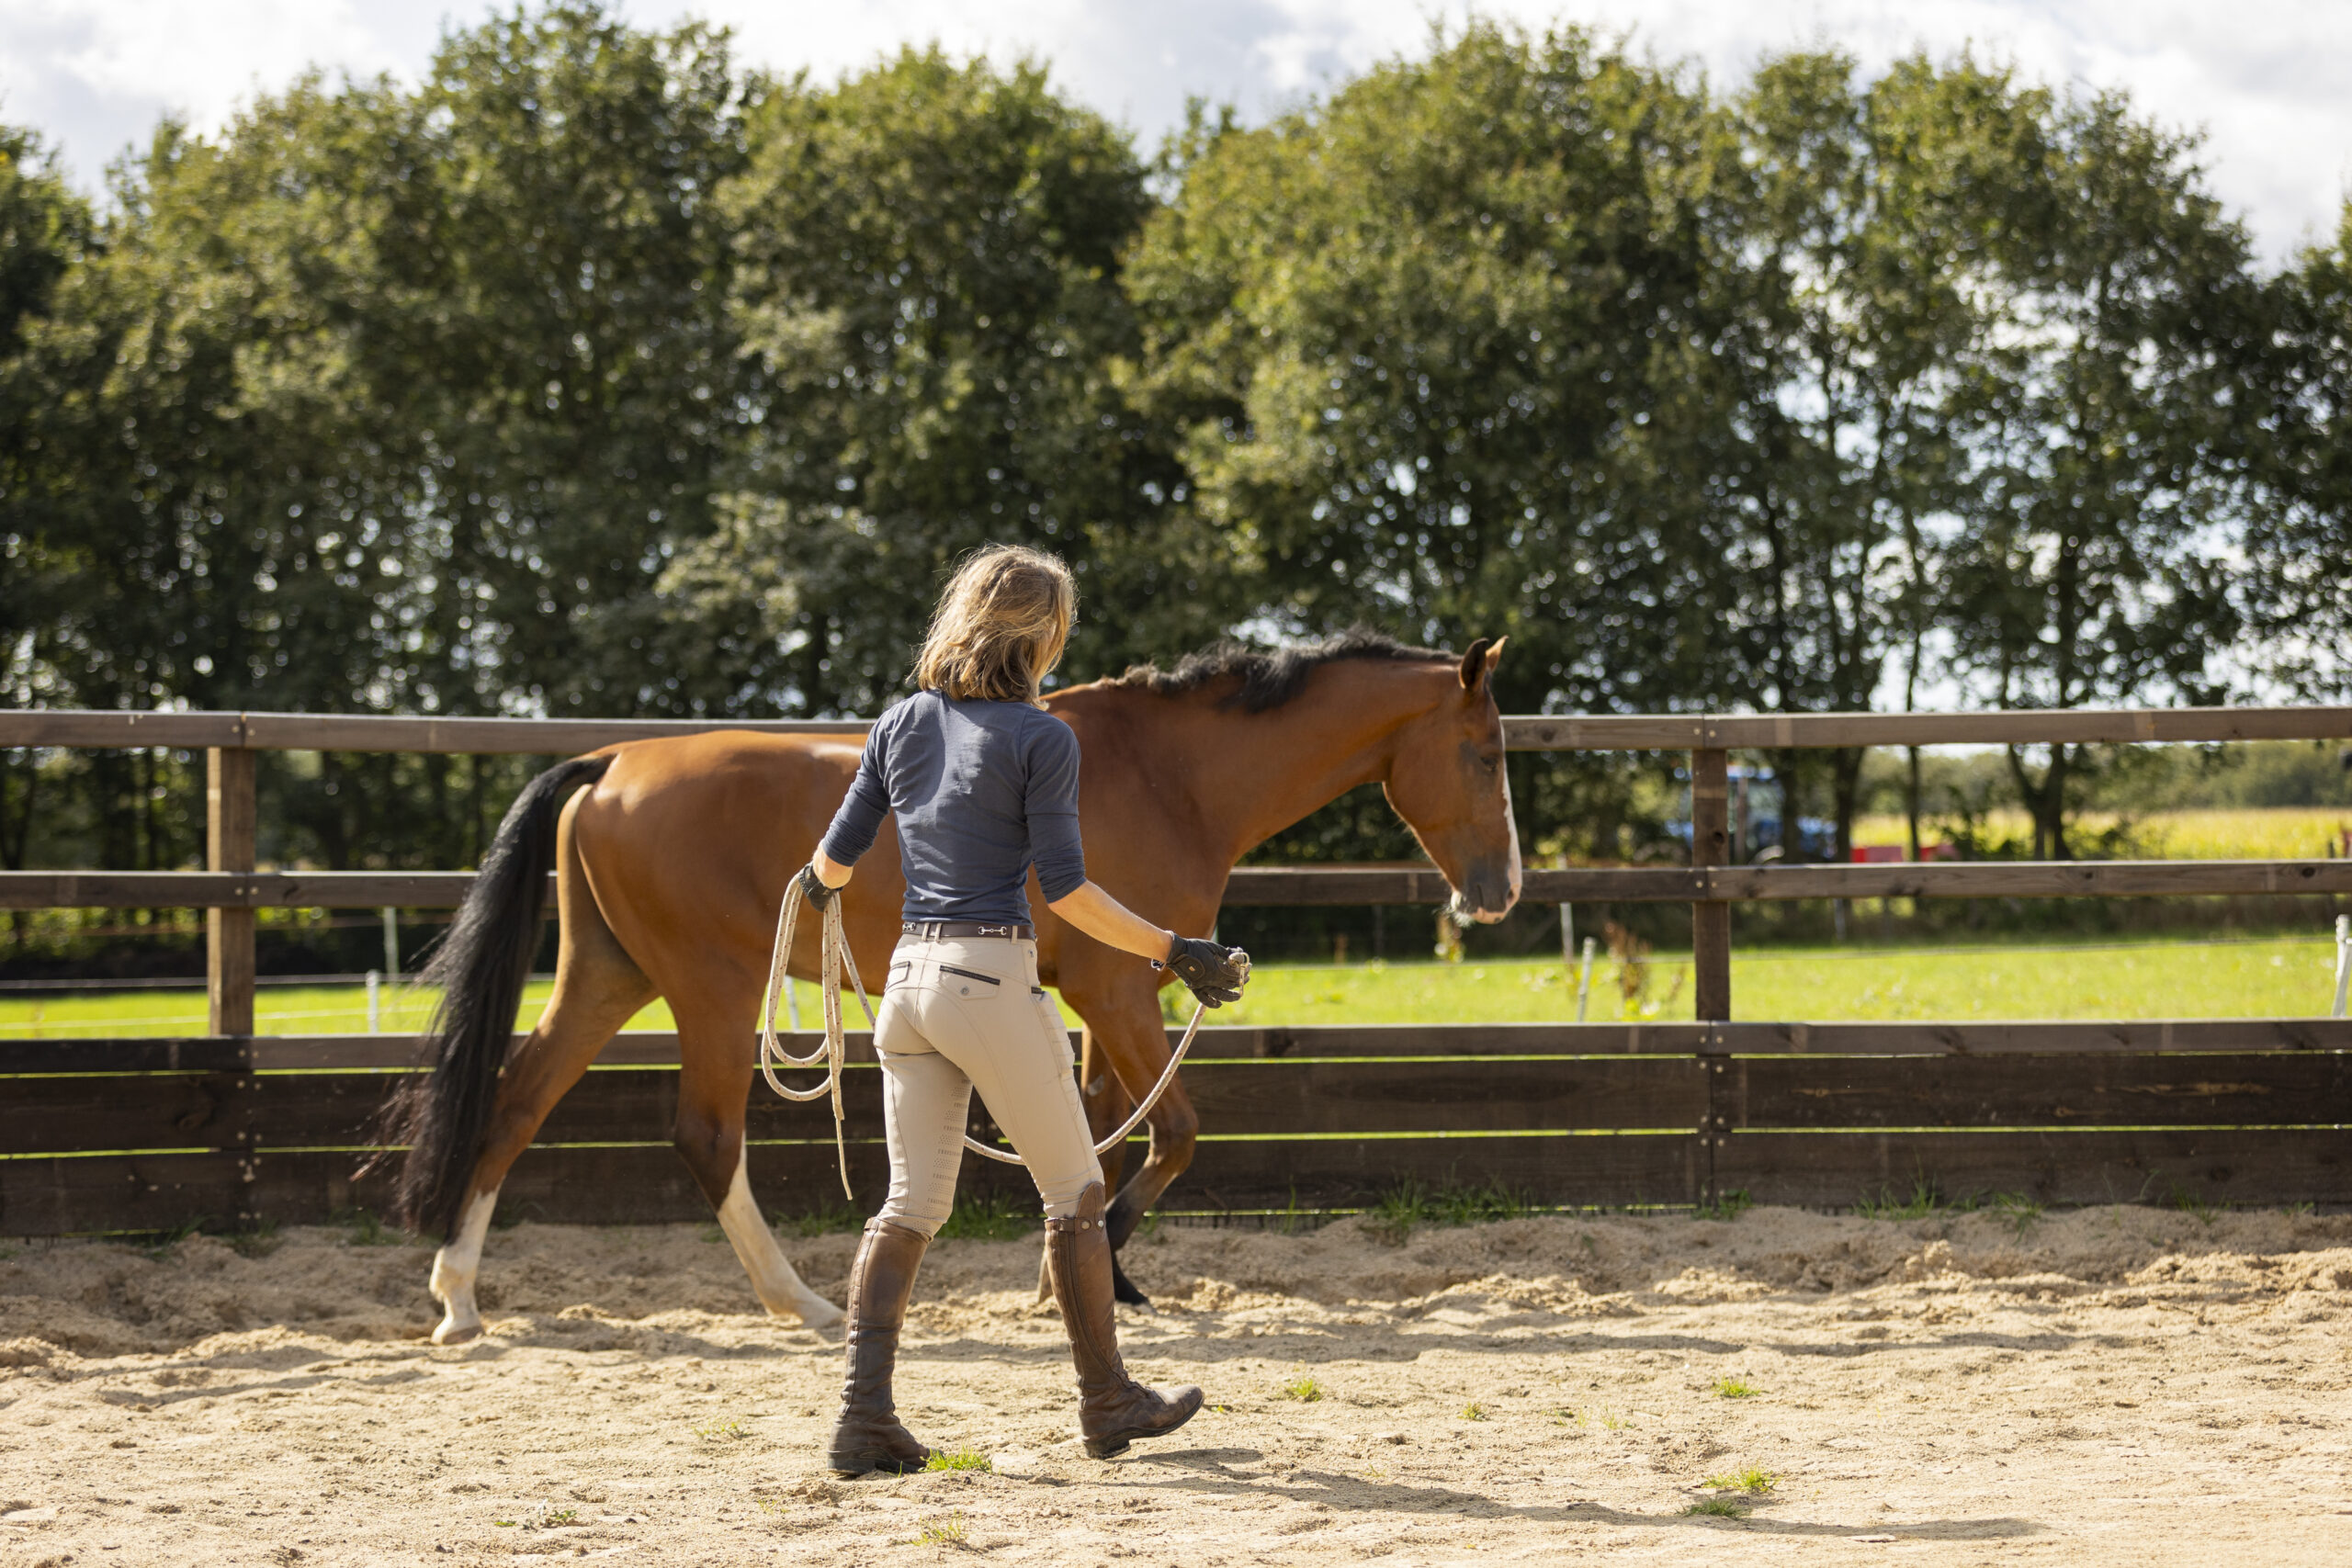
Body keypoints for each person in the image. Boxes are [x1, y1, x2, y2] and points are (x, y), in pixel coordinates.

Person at [802, 544, 1249, 1475]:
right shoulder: (1042, 738)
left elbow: (831, 867)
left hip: (906, 987)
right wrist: (1178, 950)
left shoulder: (901, 722)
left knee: (909, 1207)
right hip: (985, 980)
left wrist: (812, 886)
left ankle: (862, 1418)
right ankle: (1108, 1402)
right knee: (1079, 1196)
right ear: (1045, 636)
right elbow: (1071, 894)